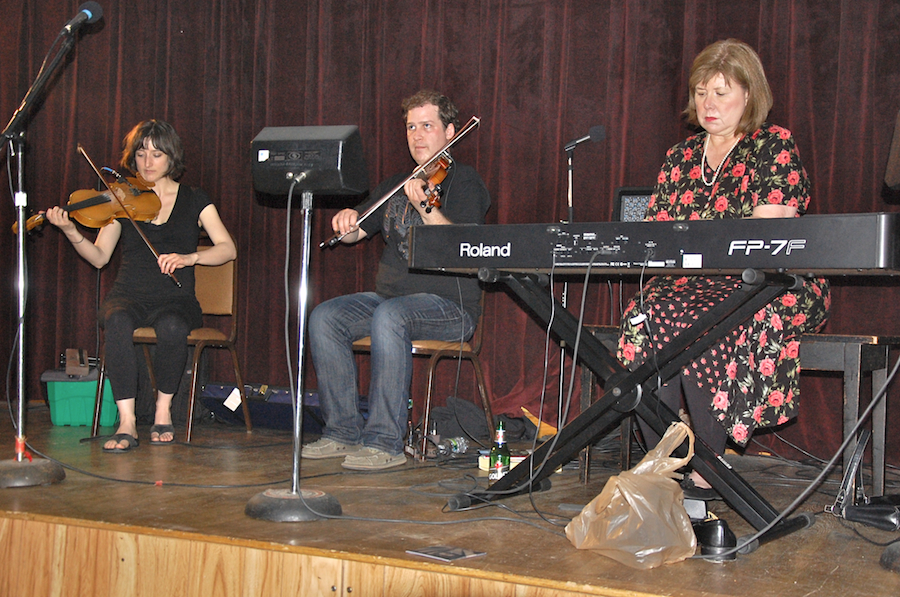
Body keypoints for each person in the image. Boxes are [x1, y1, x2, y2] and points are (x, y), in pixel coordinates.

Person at [616, 39, 830, 497]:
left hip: (770, 281)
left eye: (721, 92)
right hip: (689, 283)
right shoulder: (679, 158)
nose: (708, 104)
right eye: (700, 92)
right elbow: (657, 235)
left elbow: (767, 238)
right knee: (645, 315)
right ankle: (663, 462)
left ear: (748, 95)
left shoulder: (773, 145)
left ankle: (708, 465)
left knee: (705, 319)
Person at [302, 90, 491, 471]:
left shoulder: (465, 182)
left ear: (450, 131)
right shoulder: (396, 184)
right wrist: (346, 222)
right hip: (388, 301)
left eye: (427, 126)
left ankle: (385, 442)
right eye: (411, 127)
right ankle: (341, 431)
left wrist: (425, 206)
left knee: (390, 316)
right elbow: (359, 230)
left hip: (450, 307)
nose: (417, 135)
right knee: (325, 317)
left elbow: (462, 249)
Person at [46, 120, 237, 452]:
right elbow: (99, 256)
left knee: (173, 327)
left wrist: (190, 258)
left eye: (157, 154)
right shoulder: (121, 201)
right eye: (141, 153)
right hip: (129, 294)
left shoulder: (194, 198)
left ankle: (163, 411)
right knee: (117, 321)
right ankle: (127, 421)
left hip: (175, 297)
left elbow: (227, 248)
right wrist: (72, 232)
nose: (147, 162)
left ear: (171, 158)